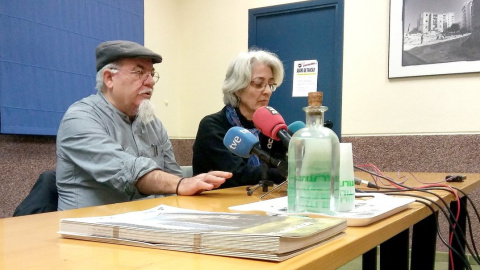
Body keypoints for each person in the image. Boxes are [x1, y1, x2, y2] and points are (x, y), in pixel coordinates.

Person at [56, 40, 231, 210]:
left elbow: (173, 179)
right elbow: (127, 171)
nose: (151, 82)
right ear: (109, 78)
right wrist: (182, 184)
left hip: (146, 227)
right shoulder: (80, 119)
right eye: (139, 72)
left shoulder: (152, 123)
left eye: (151, 73)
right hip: (88, 231)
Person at [192, 49, 286, 189]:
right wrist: (288, 173)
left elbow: (282, 164)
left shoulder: (270, 128)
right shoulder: (212, 126)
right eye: (259, 84)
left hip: (261, 202)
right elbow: (237, 175)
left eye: (271, 85)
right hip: (218, 206)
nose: (267, 91)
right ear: (237, 88)